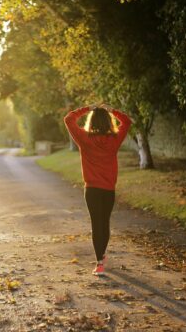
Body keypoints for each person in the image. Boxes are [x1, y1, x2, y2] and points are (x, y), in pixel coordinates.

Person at [64, 103, 132, 276]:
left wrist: (87, 108)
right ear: (109, 122)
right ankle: (101, 255)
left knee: (97, 224)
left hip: (92, 190)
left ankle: (100, 262)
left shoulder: (84, 139)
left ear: (91, 121)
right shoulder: (114, 139)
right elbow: (127, 121)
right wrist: (112, 110)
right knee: (105, 222)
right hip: (108, 189)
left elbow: (69, 119)